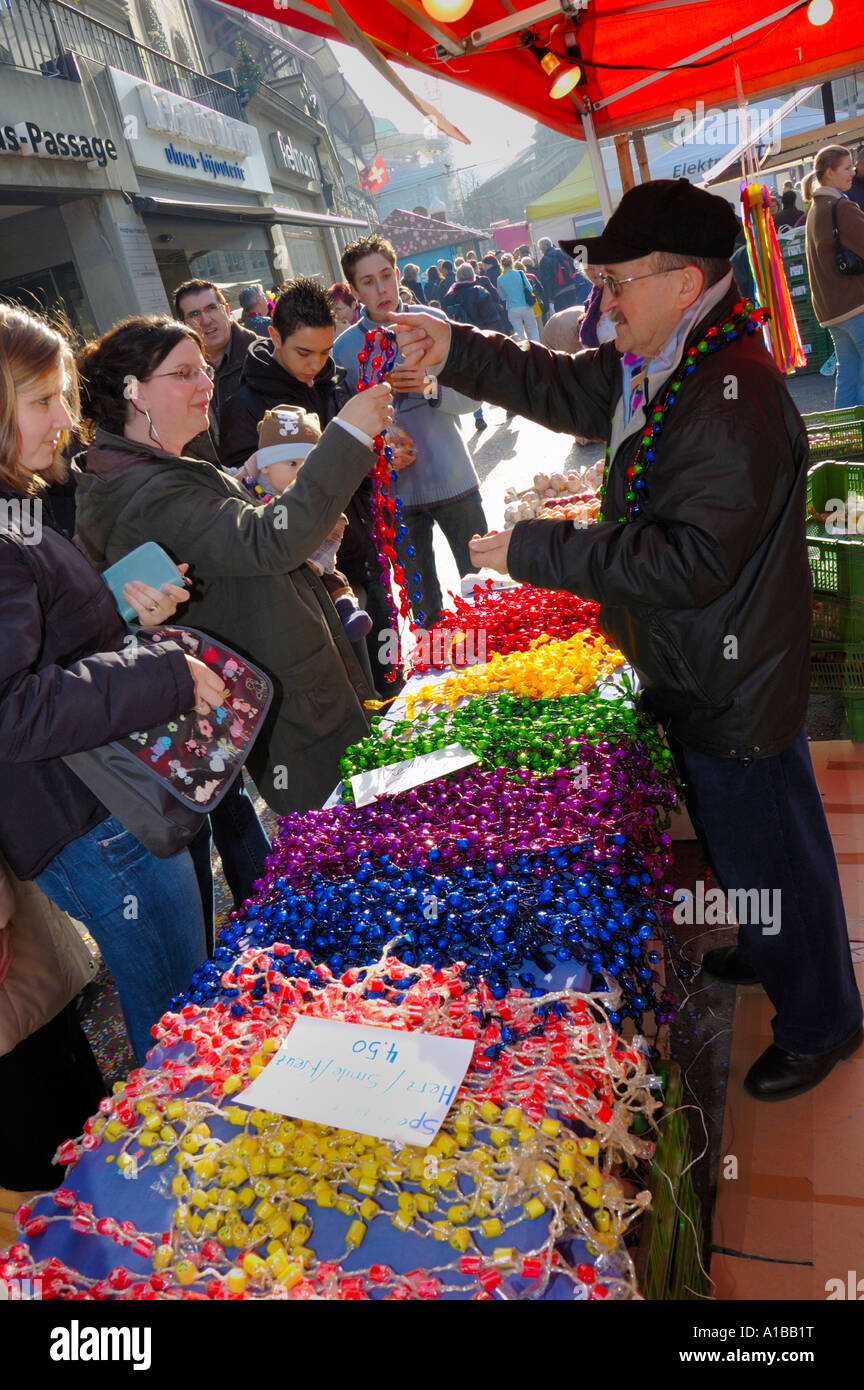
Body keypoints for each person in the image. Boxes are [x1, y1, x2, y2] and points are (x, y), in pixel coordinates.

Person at [392, 177, 864, 1103]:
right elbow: (569, 388)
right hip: (698, 659)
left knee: (769, 838)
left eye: (616, 284)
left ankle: (823, 1022)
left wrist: (539, 547)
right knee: (752, 841)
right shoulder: (674, 355)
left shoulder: (732, 397)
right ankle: (775, 949)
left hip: (730, 670)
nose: (601, 305)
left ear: (683, 282)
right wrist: (462, 350)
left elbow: (688, 561)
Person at [0, 302, 219, 1065]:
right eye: (40, 400)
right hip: (87, 818)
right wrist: (159, 673)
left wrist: (122, 614)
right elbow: (12, 709)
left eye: (60, 394)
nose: (64, 416)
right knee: (181, 1027)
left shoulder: (17, 504)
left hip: (97, 800)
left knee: (187, 1009)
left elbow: (46, 648)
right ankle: (191, 1167)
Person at [72, 314, 394, 820]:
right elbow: (271, 539)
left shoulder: (162, 466)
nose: (205, 383)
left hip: (294, 693)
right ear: (134, 392)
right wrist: (348, 434)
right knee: (347, 836)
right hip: (291, 711)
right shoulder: (150, 493)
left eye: (203, 369)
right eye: (184, 374)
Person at [219, 278, 394, 692]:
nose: (316, 364)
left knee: (389, 680)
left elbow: (360, 469)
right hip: (307, 582)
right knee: (349, 692)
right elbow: (250, 507)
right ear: (274, 336)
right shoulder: (244, 409)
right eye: (303, 352)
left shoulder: (338, 383)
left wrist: (384, 454)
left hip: (364, 556)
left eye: (325, 351)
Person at [334, 233, 486, 628]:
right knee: (426, 619)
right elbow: (344, 430)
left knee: (487, 598)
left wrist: (428, 386)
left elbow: (473, 402)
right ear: (354, 291)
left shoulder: (434, 325)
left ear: (398, 273)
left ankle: (504, 682)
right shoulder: (345, 350)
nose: (382, 288)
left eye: (386, 275)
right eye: (368, 282)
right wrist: (379, 444)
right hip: (397, 500)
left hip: (455, 482)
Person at [174, 278, 261, 468]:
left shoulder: (265, 356)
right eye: (195, 314)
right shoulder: (176, 375)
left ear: (227, 311)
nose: (206, 320)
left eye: (211, 308)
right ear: (183, 326)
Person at [804, 144, 864, 409]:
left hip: (832, 311)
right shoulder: (841, 207)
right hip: (856, 305)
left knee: (848, 377)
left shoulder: (815, 210)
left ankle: (848, 439)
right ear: (829, 173)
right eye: (847, 168)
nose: (852, 173)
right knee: (857, 378)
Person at [444, 263, 503, 430]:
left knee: (473, 379)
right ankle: (508, 406)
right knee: (495, 373)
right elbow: (492, 318)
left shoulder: (449, 296)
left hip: (462, 344)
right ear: (472, 276)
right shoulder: (478, 291)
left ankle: (478, 416)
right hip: (482, 339)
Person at [496, 252, 541, 342]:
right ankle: (537, 349)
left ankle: (524, 352)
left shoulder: (500, 279)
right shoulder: (520, 273)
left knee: (520, 334)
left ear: (501, 264)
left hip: (512, 308)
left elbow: (503, 297)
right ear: (512, 262)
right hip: (526, 306)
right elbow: (530, 288)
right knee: (533, 330)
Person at [536, 236, 584, 311]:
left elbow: (547, 280)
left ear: (544, 248)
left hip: (558, 292)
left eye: (541, 249)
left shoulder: (544, 260)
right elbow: (574, 268)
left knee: (563, 315)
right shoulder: (564, 252)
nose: (541, 251)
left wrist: (550, 297)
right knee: (574, 311)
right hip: (572, 287)